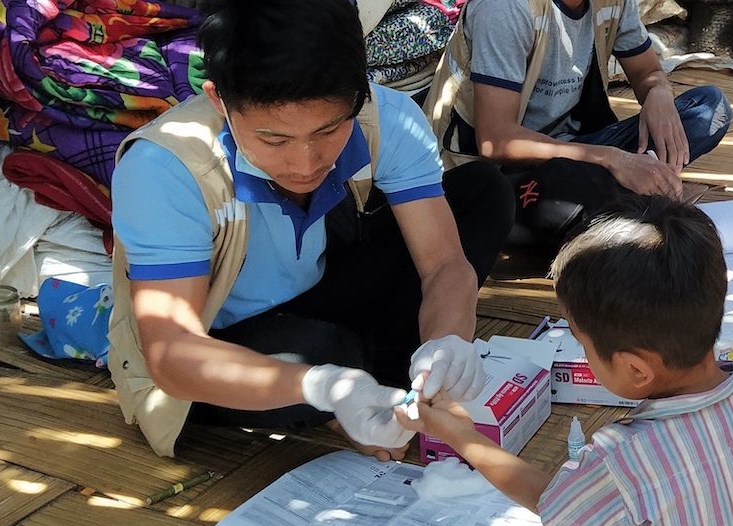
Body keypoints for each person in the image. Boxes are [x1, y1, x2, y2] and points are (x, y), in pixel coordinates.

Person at [108, 0, 506, 460]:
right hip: (224, 351)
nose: (305, 163)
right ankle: (350, 387)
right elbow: (173, 355)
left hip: (320, 295)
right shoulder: (164, 166)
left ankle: (402, 381)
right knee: (317, 353)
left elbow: (443, 265)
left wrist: (446, 342)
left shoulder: (388, 118)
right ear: (219, 100)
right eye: (272, 139)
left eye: (329, 129)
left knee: (481, 191)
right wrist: (322, 386)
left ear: (361, 92)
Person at [398, 196, 733, 526]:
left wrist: (461, 435)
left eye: (582, 342)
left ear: (636, 369)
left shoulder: (627, 455)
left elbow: (553, 508)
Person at [425, 0, 733, 238]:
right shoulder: (508, 8)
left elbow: (648, 72)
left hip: (575, 149)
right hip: (491, 174)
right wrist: (612, 159)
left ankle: (617, 205)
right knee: (562, 202)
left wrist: (658, 95)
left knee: (708, 109)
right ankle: (623, 200)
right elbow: (496, 142)